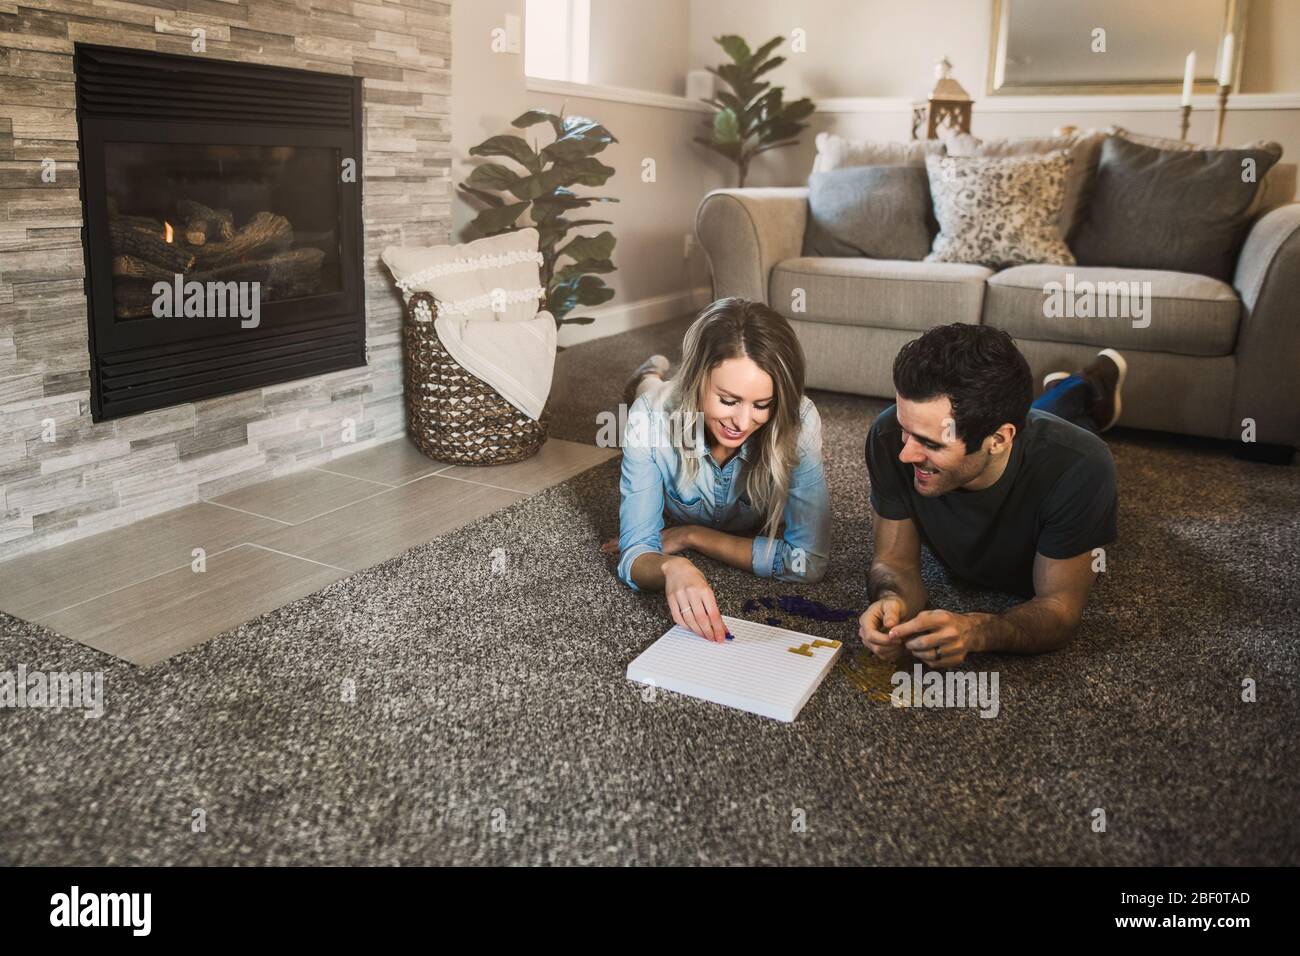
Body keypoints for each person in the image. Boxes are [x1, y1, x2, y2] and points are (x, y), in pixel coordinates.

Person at [860, 323, 1123, 667]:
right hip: (1007, 429)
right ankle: (1068, 389)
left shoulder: (1082, 468)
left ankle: (1086, 385)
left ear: (999, 440)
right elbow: (893, 563)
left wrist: (978, 630)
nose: (904, 454)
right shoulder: (887, 436)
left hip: (1055, 450)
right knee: (1038, 414)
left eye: (930, 443)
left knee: (1070, 432)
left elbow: (1059, 610)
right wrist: (891, 599)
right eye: (906, 430)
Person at [604, 297, 832, 643]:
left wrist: (692, 535)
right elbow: (635, 550)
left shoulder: (797, 421)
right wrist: (671, 567)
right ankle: (647, 377)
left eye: (761, 404)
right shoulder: (649, 419)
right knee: (651, 397)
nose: (742, 423)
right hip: (665, 405)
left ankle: (653, 379)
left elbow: (807, 562)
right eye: (728, 400)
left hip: (679, 409)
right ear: (698, 378)